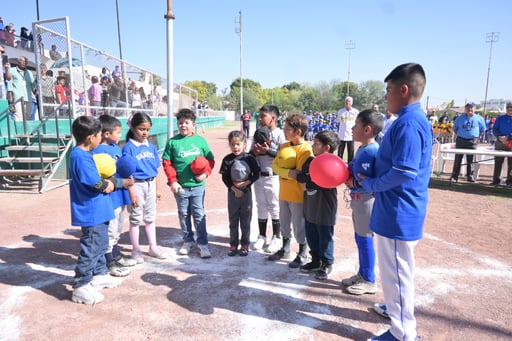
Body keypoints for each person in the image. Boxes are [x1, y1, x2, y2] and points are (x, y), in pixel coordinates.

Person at [359, 63, 432, 341]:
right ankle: (394, 309)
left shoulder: (409, 123)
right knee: (395, 273)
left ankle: (403, 334)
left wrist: (371, 185)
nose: (386, 96)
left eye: (388, 90)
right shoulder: (404, 120)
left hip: (399, 211)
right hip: (394, 208)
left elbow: (404, 170)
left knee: (398, 275)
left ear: (403, 90)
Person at [69, 116, 121, 304]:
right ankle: (81, 285)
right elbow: (98, 184)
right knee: (91, 247)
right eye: (99, 135)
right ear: (91, 137)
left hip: (100, 209)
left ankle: (99, 274)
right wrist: (114, 182)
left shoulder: (87, 154)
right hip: (91, 212)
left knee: (100, 243)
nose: (100, 138)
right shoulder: (80, 156)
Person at [162, 108, 215, 259]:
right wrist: (172, 181)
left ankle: (203, 243)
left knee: (199, 214)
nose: (183, 125)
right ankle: (188, 241)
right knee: (184, 214)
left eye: (187, 123)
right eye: (180, 123)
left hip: (198, 186)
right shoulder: (172, 142)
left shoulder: (200, 141)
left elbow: (210, 160)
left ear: (193, 124)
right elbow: (167, 163)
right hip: (181, 186)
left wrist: (205, 173)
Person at [342, 109, 383, 295]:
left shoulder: (372, 150)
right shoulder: (362, 148)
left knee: (365, 238)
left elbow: (373, 178)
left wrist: (355, 182)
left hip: (367, 200)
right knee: (360, 237)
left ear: (367, 129)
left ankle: (369, 280)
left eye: (356, 125)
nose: (352, 127)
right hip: (358, 200)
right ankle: (362, 273)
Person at [93, 115, 139, 277]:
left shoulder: (116, 149)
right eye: (117, 132)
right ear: (106, 134)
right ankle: (109, 261)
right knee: (111, 230)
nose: (120, 135)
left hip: (121, 195)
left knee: (119, 227)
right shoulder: (98, 151)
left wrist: (131, 189)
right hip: (110, 197)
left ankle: (116, 254)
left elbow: (124, 172)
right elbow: (101, 176)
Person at [269, 113, 313, 268]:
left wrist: (289, 172)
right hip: (284, 193)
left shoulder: (306, 150)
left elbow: (300, 174)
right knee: (284, 222)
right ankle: (285, 248)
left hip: (297, 195)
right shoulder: (284, 146)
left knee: (299, 224)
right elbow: (274, 166)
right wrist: (288, 172)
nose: (284, 131)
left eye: (288, 129)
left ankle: (302, 253)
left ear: (298, 132)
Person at [122, 112, 167, 263]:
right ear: (133, 128)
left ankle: (152, 247)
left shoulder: (151, 146)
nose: (145, 132)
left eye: (147, 129)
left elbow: (156, 169)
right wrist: (132, 193)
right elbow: (126, 173)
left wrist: (158, 188)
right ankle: (136, 249)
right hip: (136, 185)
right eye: (141, 129)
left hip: (151, 184)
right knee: (135, 218)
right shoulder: (129, 147)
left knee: (150, 217)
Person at [297, 130, 340, 280]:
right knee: (311, 232)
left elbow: (325, 182)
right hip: (310, 204)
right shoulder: (310, 161)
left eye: (316, 144)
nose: (313, 146)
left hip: (324, 205)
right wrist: (305, 180)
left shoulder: (333, 163)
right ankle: (315, 260)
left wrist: (308, 182)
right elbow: (302, 175)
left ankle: (327, 262)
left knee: (324, 234)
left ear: (326, 147)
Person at [250, 104, 286, 253]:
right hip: (259, 176)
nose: (260, 118)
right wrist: (255, 152)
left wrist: (268, 151)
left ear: (273, 118)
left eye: (263, 115)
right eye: (259, 115)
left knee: (274, 206)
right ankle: (262, 235)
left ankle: (277, 237)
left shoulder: (280, 134)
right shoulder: (258, 133)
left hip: (274, 176)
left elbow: (284, 157)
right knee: (261, 206)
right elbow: (250, 153)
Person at [219, 130, 260, 256]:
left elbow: (256, 174)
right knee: (233, 219)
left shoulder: (249, 158)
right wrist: (234, 189)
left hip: (246, 193)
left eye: (238, 144)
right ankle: (233, 244)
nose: (235, 147)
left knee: (245, 220)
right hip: (232, 194)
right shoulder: (227, 160)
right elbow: (225, 177)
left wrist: (245, 183)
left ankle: (245, 244)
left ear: (244, 144)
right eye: (233, 144)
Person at [450, 102, 486, 183]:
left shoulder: (479, 118)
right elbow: (455, 128)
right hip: (461, 140)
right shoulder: (459, 118)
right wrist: (460, 135)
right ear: (465, 109)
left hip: (472, 141)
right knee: (458, 159)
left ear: (474, 109)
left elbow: (483, 129)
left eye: (471, 108)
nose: (470, 109)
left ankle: (470, 176)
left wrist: (477, 137)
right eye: (468, 108)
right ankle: (454, 176)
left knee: (471, 159)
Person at [7, 56, 35, 121]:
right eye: (22, 61)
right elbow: (9, 85)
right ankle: (20, 131)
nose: (24, 62)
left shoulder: (29, 72)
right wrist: (10, 100)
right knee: (18, 116)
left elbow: (33, 85)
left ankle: (27, 131)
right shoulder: (12, 70)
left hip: (28, 97)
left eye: (25, 61)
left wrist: (36, 84)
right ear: (18, 62)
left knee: (28, 116)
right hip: (18, 98)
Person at [491, 102, 512, 187]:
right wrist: (500, 137)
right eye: (508, 109)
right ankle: (496, 180)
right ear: (506, 109)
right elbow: (495, 129)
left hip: (510, 143)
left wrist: (508, 137)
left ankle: (510, 181)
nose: (510, 110)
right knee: (498, 162)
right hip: (500, 143)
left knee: (511, 164)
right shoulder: (500, 118)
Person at [337, 96, 359, 162]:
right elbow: (339, 121)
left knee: (351, 152)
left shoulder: (355, 112)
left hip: (351, 135)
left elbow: (358, 122)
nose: (347, 102)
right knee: (340, 151)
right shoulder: (341, 111)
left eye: (349, 101)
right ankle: (339, 163)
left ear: (351, 103)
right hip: (342, 134)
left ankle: (350, 165)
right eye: (346, 101)